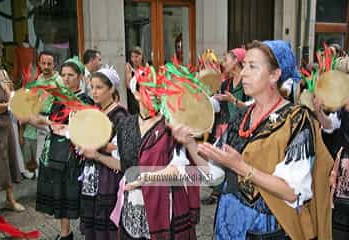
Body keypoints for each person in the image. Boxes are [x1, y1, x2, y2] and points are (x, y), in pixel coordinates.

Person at [175, 40, 333, 239]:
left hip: (263, 229)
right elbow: (213, 175)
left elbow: (292, 192)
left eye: (252, 67)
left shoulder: (296, 120)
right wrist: (189, 142)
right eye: (244, 66)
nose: (243, 73)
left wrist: (241, 167)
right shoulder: (241, 118)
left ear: (275, 75)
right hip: (227, 223)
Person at [82, 69, 200, 240]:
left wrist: (147, 178)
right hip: (134, 203)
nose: (155, 95)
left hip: (166, 203)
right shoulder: (126, 125)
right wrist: (98, 156)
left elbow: (180, 169)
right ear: (136, 93)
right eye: (149, 89)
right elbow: (124, 165)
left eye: (160, 90)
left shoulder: (171, 125)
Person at [28, 57, 93, 240]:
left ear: (80, 76)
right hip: (55, 152)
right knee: (60, 194)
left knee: (73, 194)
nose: (66, 78)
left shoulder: (85, 100)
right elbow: (44, 120)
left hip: (73, 154)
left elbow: (90, 129)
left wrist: (72, 130)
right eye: (63, 75)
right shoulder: (58, 99)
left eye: (71, 75)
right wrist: (48, 122)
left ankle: (86, 231)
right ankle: (65, 233)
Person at [77, 67, 128, 240]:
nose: (94, 92)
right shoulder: (96, 111)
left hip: (109, 174)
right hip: (92, 172)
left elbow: (122, 149)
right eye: (92, 87)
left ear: (111, 89)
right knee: (93, 217)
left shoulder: (120, 115)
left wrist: (99, 147)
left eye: (99, 87)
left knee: (107, 221)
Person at [203, 48, 248, 205]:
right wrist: (205, 97)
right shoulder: (225, 84)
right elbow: (217, 106)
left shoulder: (247, 82)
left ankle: (237, 194)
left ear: (236, 61)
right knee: (218, 160)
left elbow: (253, 107)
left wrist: (233, 100)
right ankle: (219, 193)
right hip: (224, 127)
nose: (224, 62)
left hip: (242, 131)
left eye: (227, 59)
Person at [0, 47, 25, 215]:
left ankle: (11, 200)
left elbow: (13, 101)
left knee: (9, 162)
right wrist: (5, 106)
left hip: (6, 129)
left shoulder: (0, 83)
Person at [313, 95, 349, 240]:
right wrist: (319, 112)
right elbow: (329, 125)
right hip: (344, 169)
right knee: (340, 219)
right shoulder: (342, 105)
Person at [125, 47, 147, 115]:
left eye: (136, 56)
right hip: (133, 96)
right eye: (132, 57)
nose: (134, 59)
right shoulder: (129, 66)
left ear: (142, 57)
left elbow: (149, 82)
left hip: (143, 95)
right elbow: (128, 84)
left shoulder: (146, 66)